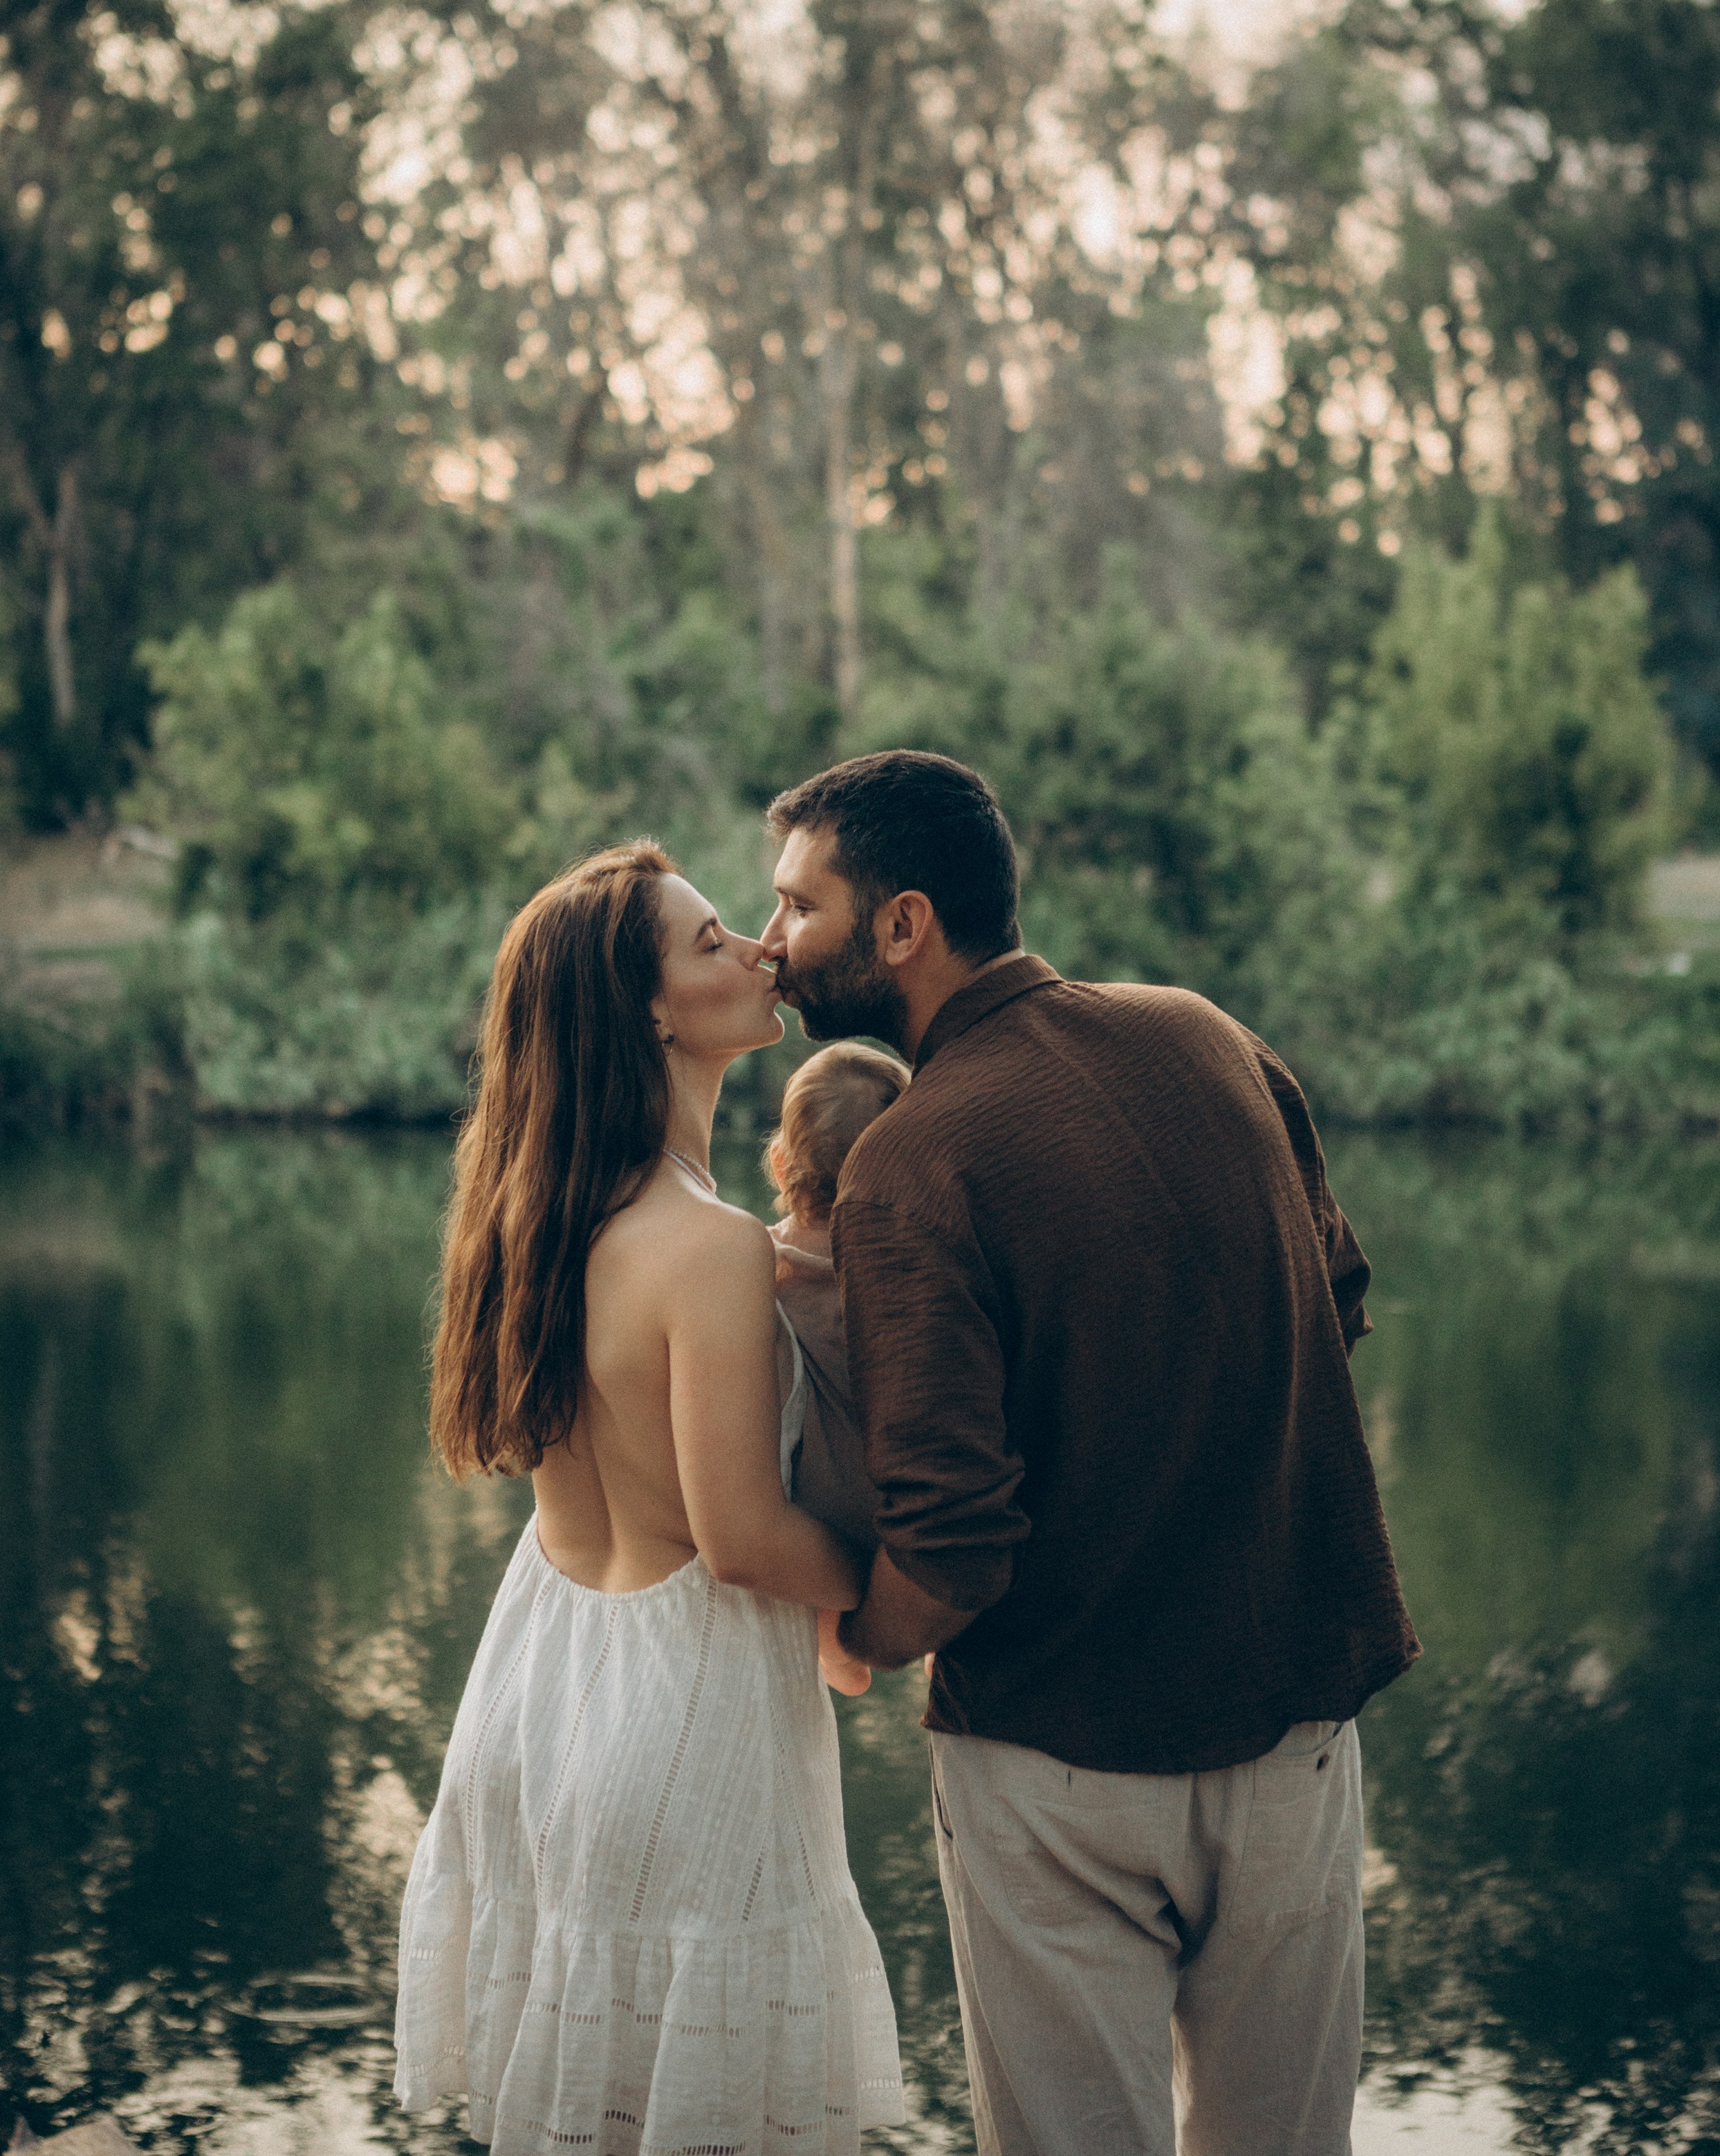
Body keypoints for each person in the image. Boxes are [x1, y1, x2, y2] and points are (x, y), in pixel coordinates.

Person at [758, 752, 1420, 2156]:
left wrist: (854, 1636)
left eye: (797, 906)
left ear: (900, 925)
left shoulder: (910, 1160)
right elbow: (1335, 1297)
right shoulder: (1207, 1035)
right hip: (1295, 1726)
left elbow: (947, 1551)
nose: (772, 942)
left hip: (1058, 1770)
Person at [395, 843, 905, 2156]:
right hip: (687, 1725)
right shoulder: (710, 1246)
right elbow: (739, 1541)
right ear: (651, 1013)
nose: (757, 953)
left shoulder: (535, 1218)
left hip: (545, 1698)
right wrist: (906, 1582)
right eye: (713, 941)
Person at [766, 1041, 912, 1560]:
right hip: (896, 1521)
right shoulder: (913, 1273)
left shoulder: (758, 1266)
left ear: (781, 1166)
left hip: (807, 1522)